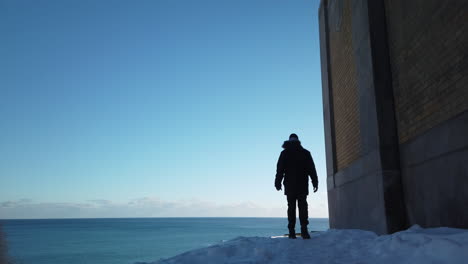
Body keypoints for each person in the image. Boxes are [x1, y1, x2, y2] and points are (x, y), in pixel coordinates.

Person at [275, 133, 318, 239]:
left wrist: (278, 182)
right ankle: (304, 231)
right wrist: (315, 182)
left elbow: (280, 170)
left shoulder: (284, 153)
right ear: (298, 141)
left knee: (291, 208)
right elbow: (311, 169)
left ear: (289, 141)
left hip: (289, 186)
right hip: (302, 185)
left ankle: (292, 231)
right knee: (303, 207)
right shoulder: (305, 153)